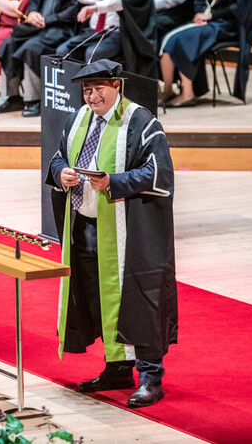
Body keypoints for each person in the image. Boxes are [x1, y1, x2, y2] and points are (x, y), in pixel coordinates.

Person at [45, 58, 178, 409]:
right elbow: (59, 157)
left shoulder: (141, 122)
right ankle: (118, 368)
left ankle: (151, 378)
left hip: (129, 232)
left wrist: (113, 182)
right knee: (99, 299)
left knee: (139, 300)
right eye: (86, 90)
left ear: (117, 86)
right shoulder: (77, 120)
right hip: (86, 228)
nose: (91, 97)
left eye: (98, 88)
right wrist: (61, 174)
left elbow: (160, 174)